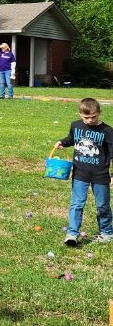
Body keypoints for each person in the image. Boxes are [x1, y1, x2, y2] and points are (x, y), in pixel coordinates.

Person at [55, 97, 113, 247]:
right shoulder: (76, 126)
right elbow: (71, 139)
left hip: (100, 175)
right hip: (80, 173)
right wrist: (62, 142)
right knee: (77, 203)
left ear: (99, 112)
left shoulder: (108, 131)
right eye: (85, 117)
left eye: (93, 117)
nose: (89, 120)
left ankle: (106, 232)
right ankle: (72, 233)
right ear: (80, 114)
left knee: (102, 205)